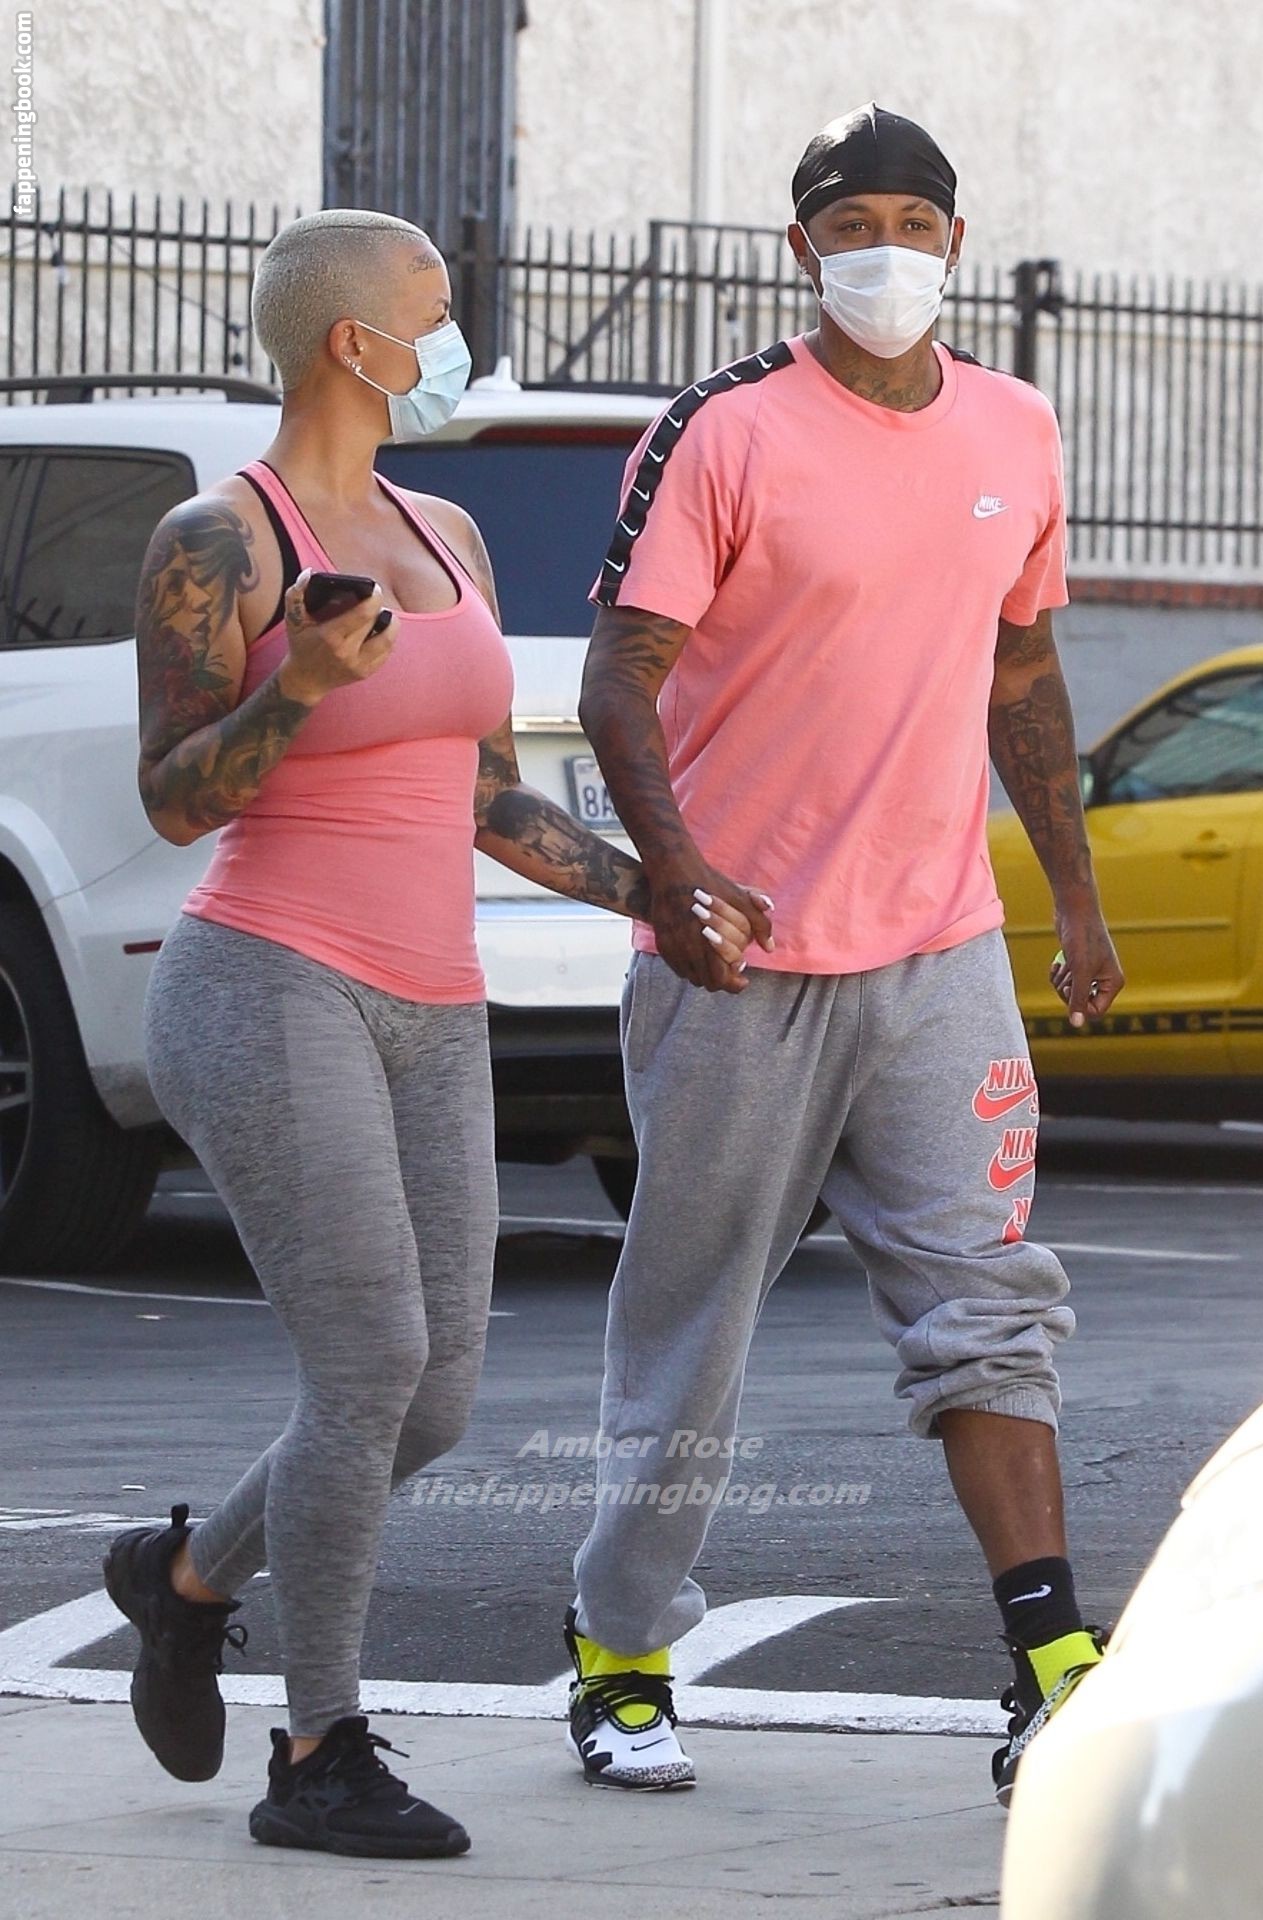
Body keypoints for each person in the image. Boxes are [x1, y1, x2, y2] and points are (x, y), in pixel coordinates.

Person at [101, 208, 764, 1861]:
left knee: (437, 1397)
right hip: (265, 980)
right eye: (438, 310)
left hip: (434, 999)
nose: (458, 336)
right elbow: (174, 797)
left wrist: (657, 893)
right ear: (355, 341)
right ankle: (317, 1750)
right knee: (367, 1368)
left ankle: (183, 1585)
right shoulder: (219, 540)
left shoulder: (444, 527)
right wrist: (297, 685)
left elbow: (481, 794)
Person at [562, 104, 1124, 1804]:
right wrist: (677, 879)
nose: (887, 248)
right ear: (802, 245)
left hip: (942, 951)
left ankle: (1055, 1667)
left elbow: (1022, 672)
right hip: (744, 962)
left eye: (915, 220)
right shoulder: (723, 428)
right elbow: (617, 680)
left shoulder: (1017, 426)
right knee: (695, 1323)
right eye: (852, 221)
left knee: (990, 1304)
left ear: (956, 239)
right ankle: (622, 1644)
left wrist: (1075, 895)